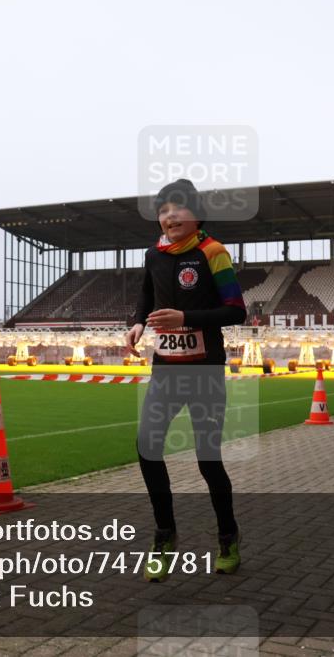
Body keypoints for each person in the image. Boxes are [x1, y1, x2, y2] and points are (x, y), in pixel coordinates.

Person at [125, 178, 246, 581]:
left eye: (177, 208)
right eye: (163, 210)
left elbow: (235, 311)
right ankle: (164, 536)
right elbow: (146, 296)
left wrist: (185, 318)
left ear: (195, 214)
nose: (169, 216)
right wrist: (138, 323)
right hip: (166, 369)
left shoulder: (214, 253)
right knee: (147, 448)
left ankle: (227, 537)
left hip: (205, 371)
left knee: (208, 461)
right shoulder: (153, 254)